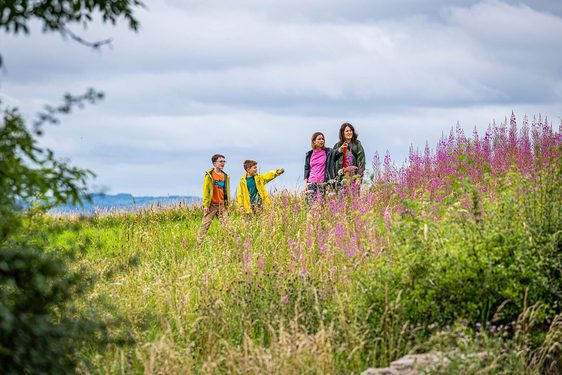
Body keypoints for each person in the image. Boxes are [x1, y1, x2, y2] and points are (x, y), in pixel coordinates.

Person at [197, 154, 230, 242]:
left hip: (222, 205)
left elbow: (226, 191)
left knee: (227, 226)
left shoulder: (225, 176)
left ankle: (229, 243)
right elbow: (206, 191)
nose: (223, 163)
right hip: (211, 205)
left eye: (224, 161)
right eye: (220, 161)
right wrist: (205, 205)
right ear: (214, 163)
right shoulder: (209, 175)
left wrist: (227, 204)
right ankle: (198, 244)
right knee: (205, 226)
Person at [304, 132, 340, 203]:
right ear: (314, 141)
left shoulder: (327, 151)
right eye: (319, 139)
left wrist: (341, 149)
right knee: (310, 205)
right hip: (311, 183)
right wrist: (305, 184)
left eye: (323, 139)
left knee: (323, 205)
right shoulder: (309, 154)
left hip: (323, 183)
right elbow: (306, 169)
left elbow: (336, 153)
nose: (322, 141)